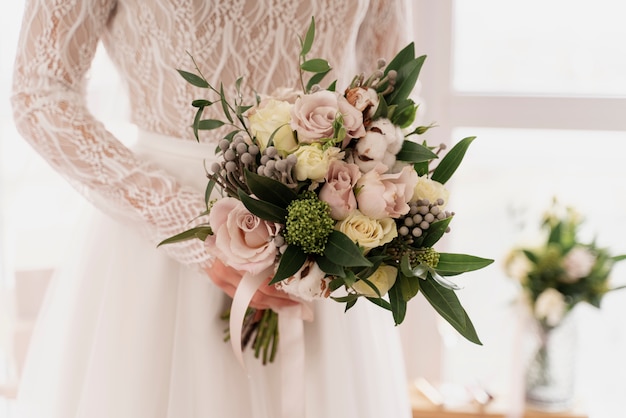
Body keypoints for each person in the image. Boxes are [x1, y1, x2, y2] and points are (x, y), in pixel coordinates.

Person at [11, 1, 413, 417]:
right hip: (159, 257)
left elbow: (391, 98)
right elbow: (38, 92)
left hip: (322, 243)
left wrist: (358, 203)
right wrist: (194, 227)